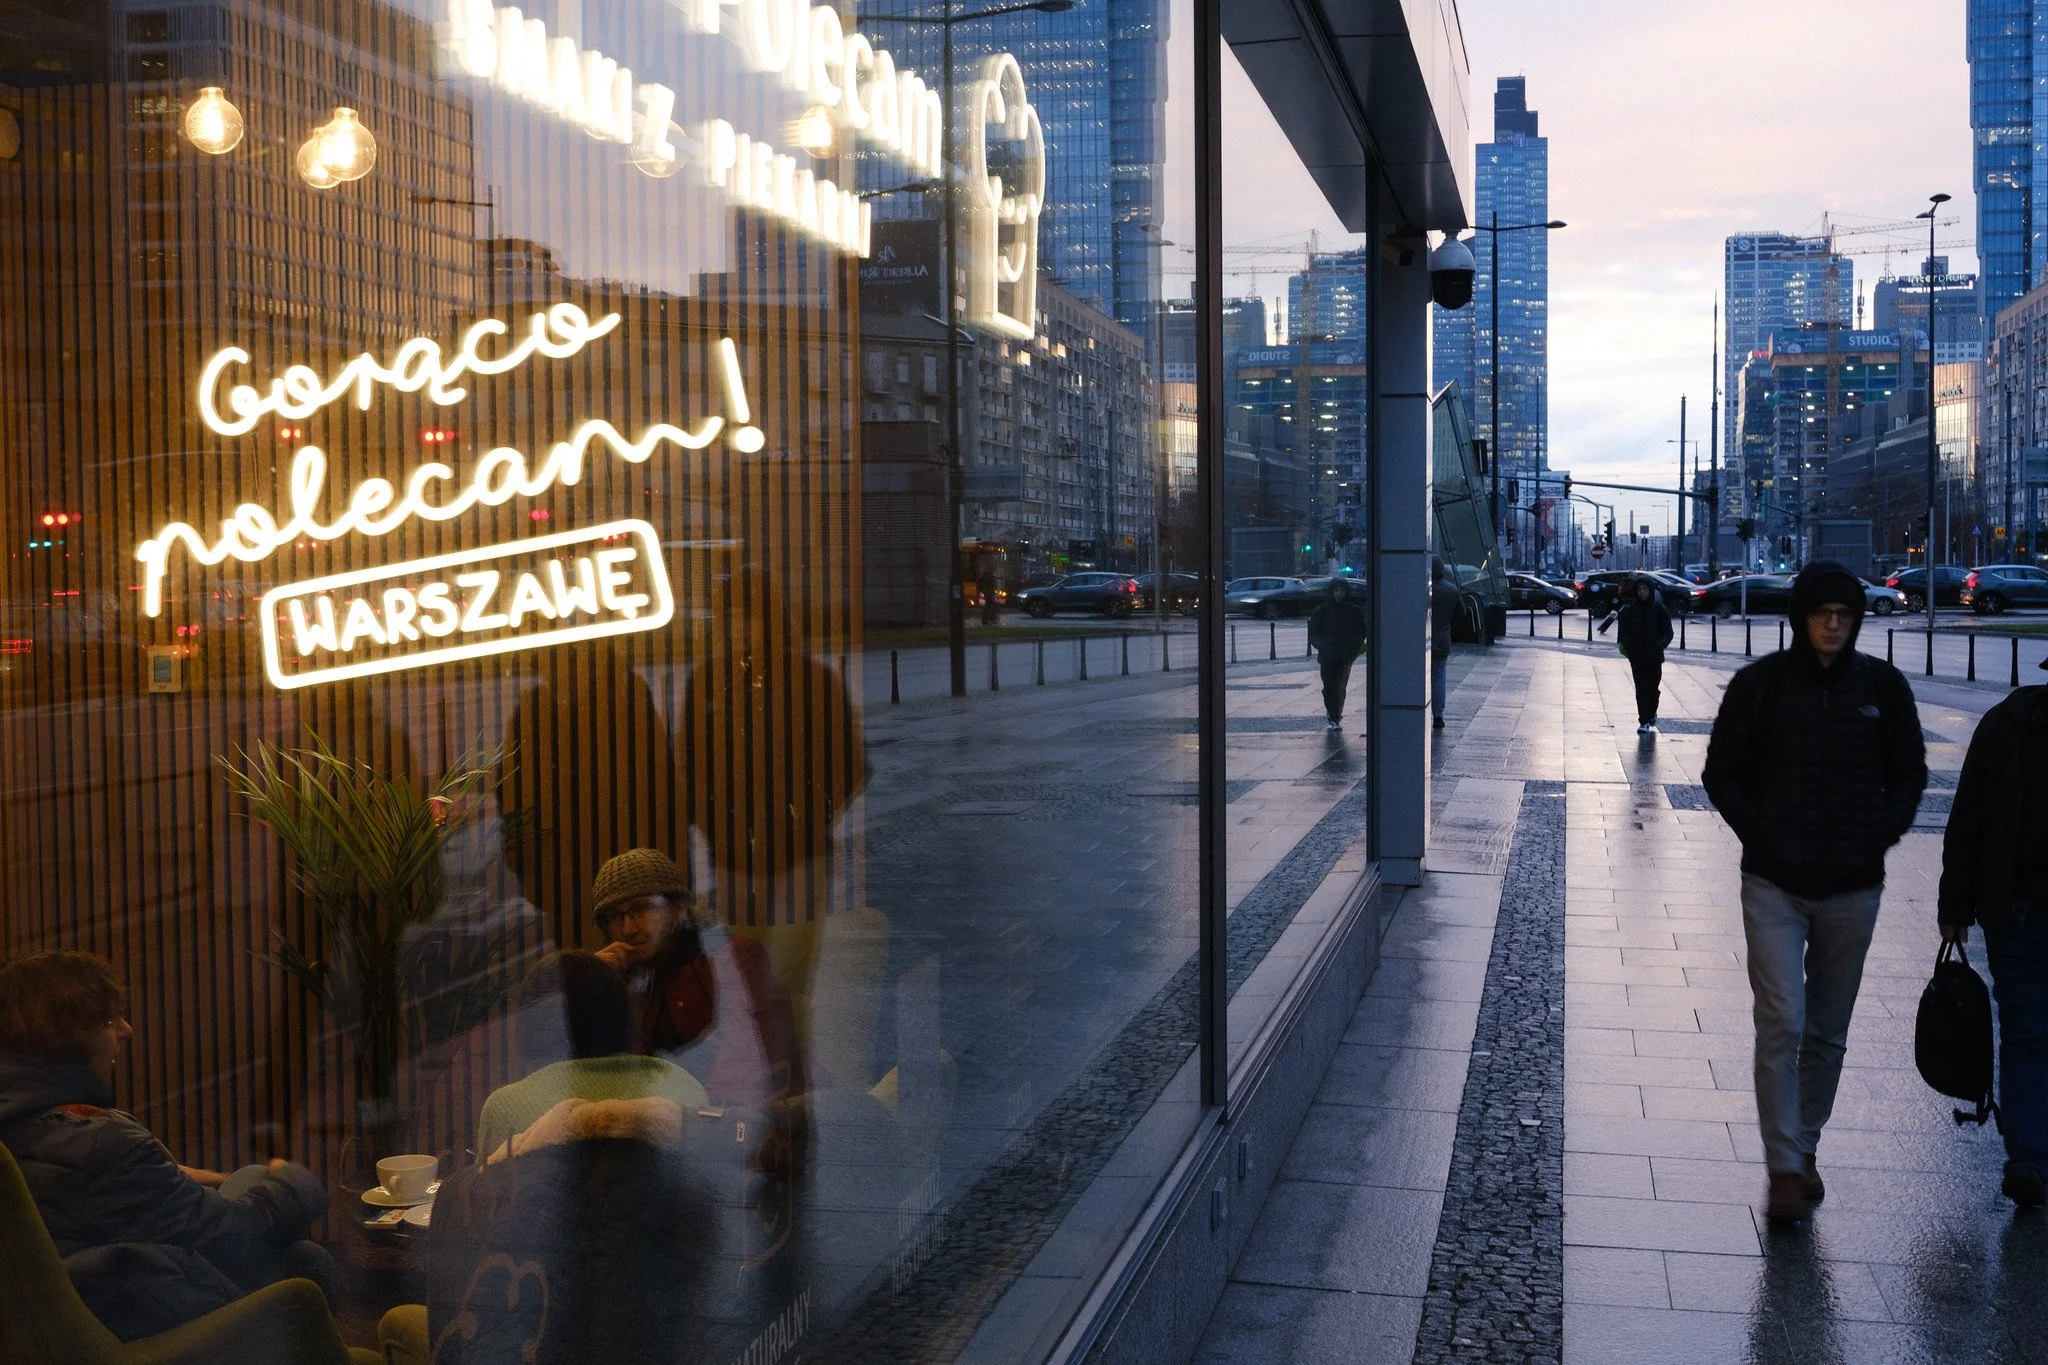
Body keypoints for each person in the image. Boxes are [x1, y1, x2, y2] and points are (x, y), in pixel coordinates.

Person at [1702, 560, 1927, 1222]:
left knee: (1827, 1031)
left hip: (1852, 887)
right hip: (1773, 882)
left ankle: (1803, 1147)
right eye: (1822, 613)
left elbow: (1909, 776)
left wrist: (1874, 839)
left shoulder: (1882, 688)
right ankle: (1783, 1169)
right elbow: (1721, 772)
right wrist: (1764, 836)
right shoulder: (1760, 686)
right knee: (1783, 1020)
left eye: (1845, 615)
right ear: (1800, 617)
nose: (1834, 624)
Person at [0, 950, 332, 1340]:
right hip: (140, 1326)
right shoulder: (100, 1143)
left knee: (247, 1180)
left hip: (60, 1324)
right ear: (68, 1037)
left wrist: (198, 1177)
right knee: (305, 1258)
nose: (126, 1030)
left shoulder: (30, 1127)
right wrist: (295, 1180)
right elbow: (233, 1234)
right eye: (110, 1020)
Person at [1937, 655, 2048, 1207]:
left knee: (2030, 1032)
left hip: (2019, 910)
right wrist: (1954, 905)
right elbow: (1969, 818)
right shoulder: (2009, 726)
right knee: (2027, 1030)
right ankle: (2027, 1157)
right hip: (2020, 913)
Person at [589, 849, 807, 1128]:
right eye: (614, 917)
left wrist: (686, 1123)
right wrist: (591, 984)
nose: (628, 928)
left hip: (743, 1126)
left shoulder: (732, 958)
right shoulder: (623, 977)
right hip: (654, 1127)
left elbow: (753, 1058)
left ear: (679, 908)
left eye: (642, 908)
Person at [476, 950, 709, 1162]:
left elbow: (484, 1201)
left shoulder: (505, 1107)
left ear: (533, 1024)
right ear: (624, 1013)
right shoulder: (685, 1087)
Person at [1610, 575, 1674, 734]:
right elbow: (1623, 633)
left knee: (1653, 689)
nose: (1642, 592)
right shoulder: (1631, 610)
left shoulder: (1659, 609)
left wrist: (1659, 645)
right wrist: (1631, 647)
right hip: (1637, 657)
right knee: (1641, 689)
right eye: (1639, 589)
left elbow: (1668, 632)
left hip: (1654, 657)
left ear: (1650, 591)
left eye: (1645, 589)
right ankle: (1644, 720)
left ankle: (1652, 712)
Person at [1306, 577, 1367, 731]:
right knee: (1329, 687)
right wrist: (1324, 645)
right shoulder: (1322, 611)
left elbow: (1361, 631)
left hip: (1345, 656)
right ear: (1332, 592)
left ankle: (1335, 716)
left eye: (1342, 591)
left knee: (1340, 687)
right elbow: (1314, 633)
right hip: (1328, 656)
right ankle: (1333, 714)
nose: (1339, 594)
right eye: (1337, 591)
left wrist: (1352, 645)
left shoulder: (1353, 611)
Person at [1429, 559, 1458, 730]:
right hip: (1442, 640)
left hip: (1423, 640)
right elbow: (1461, 613)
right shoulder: (1452, 590)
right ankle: (1438, 715)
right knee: (1439, 678)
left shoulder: (1424, 589)